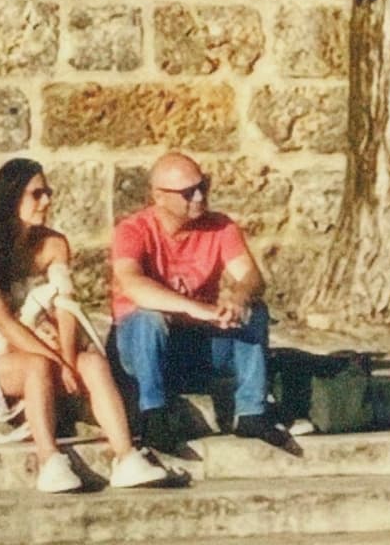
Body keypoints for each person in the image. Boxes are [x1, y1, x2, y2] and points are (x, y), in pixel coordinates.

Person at [0, 158, 176, 493]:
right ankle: (50, 459)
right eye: (36, 194)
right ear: (11, 198)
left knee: (93, 363)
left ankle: (126, 455)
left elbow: (66, 305)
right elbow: (2, 322)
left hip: (41, 338)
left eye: (48, 193)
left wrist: (70, 357)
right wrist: (57, 361)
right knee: (38, 366)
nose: (46, 202)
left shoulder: (55, 244)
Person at [108, 152, 293, 451]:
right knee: (147, 318)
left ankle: (251, 412)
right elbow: (133, 284)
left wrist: (239, 296)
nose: (199, 196)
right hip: (143, 348)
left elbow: (251, 277)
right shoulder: (132, 231)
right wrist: (198, 308)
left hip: (194, 343)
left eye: (203, 186)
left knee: (254, 312)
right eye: (188, 192)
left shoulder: (220, 227)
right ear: (159, 196)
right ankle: (153, 416)